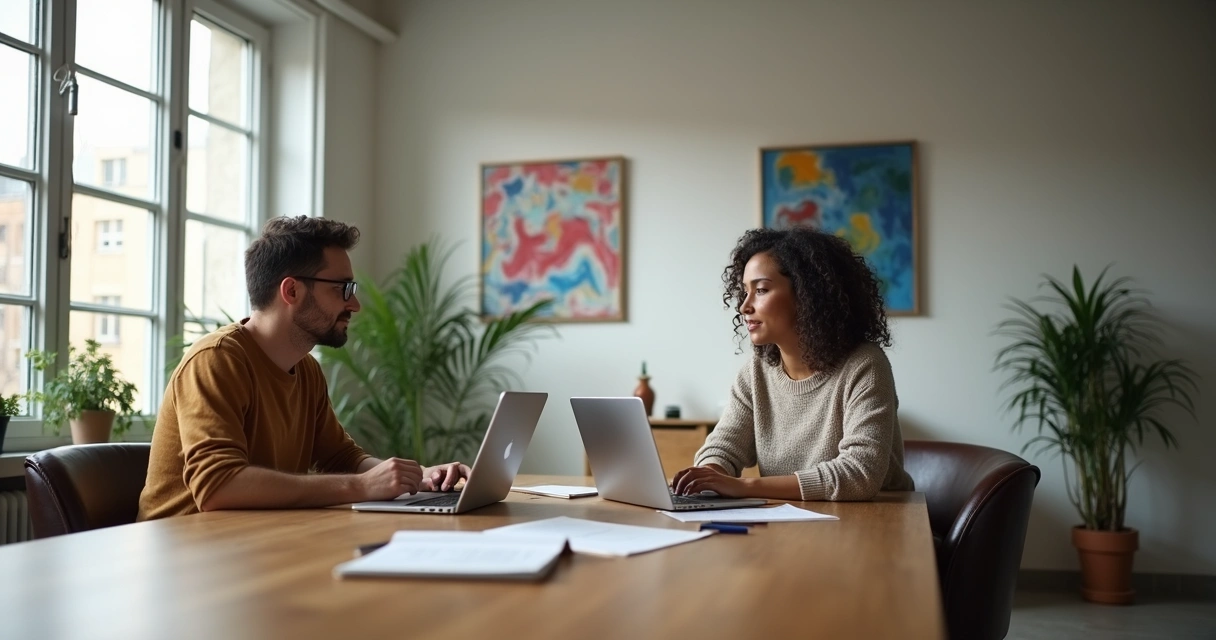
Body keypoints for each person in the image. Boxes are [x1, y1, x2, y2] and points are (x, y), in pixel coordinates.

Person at [138, 216, 469, 520]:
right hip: (182, 557)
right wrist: (363, 486)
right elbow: (218, 487)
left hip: (251, 548)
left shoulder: (306, 370)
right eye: (344, 289)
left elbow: (342, 458)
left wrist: (423, 477)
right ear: (292, 290)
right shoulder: (216, 360)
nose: (355, 304)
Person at [672, 226, 915, 502]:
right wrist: (709, 476)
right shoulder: (755, 374)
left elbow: (859, 475)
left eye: (761, 290)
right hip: (795, 523)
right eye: (744, 291)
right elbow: (723, 448)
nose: (744, 306)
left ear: (807, 294)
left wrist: (744, 487)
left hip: (881, 523)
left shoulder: (864, 366)